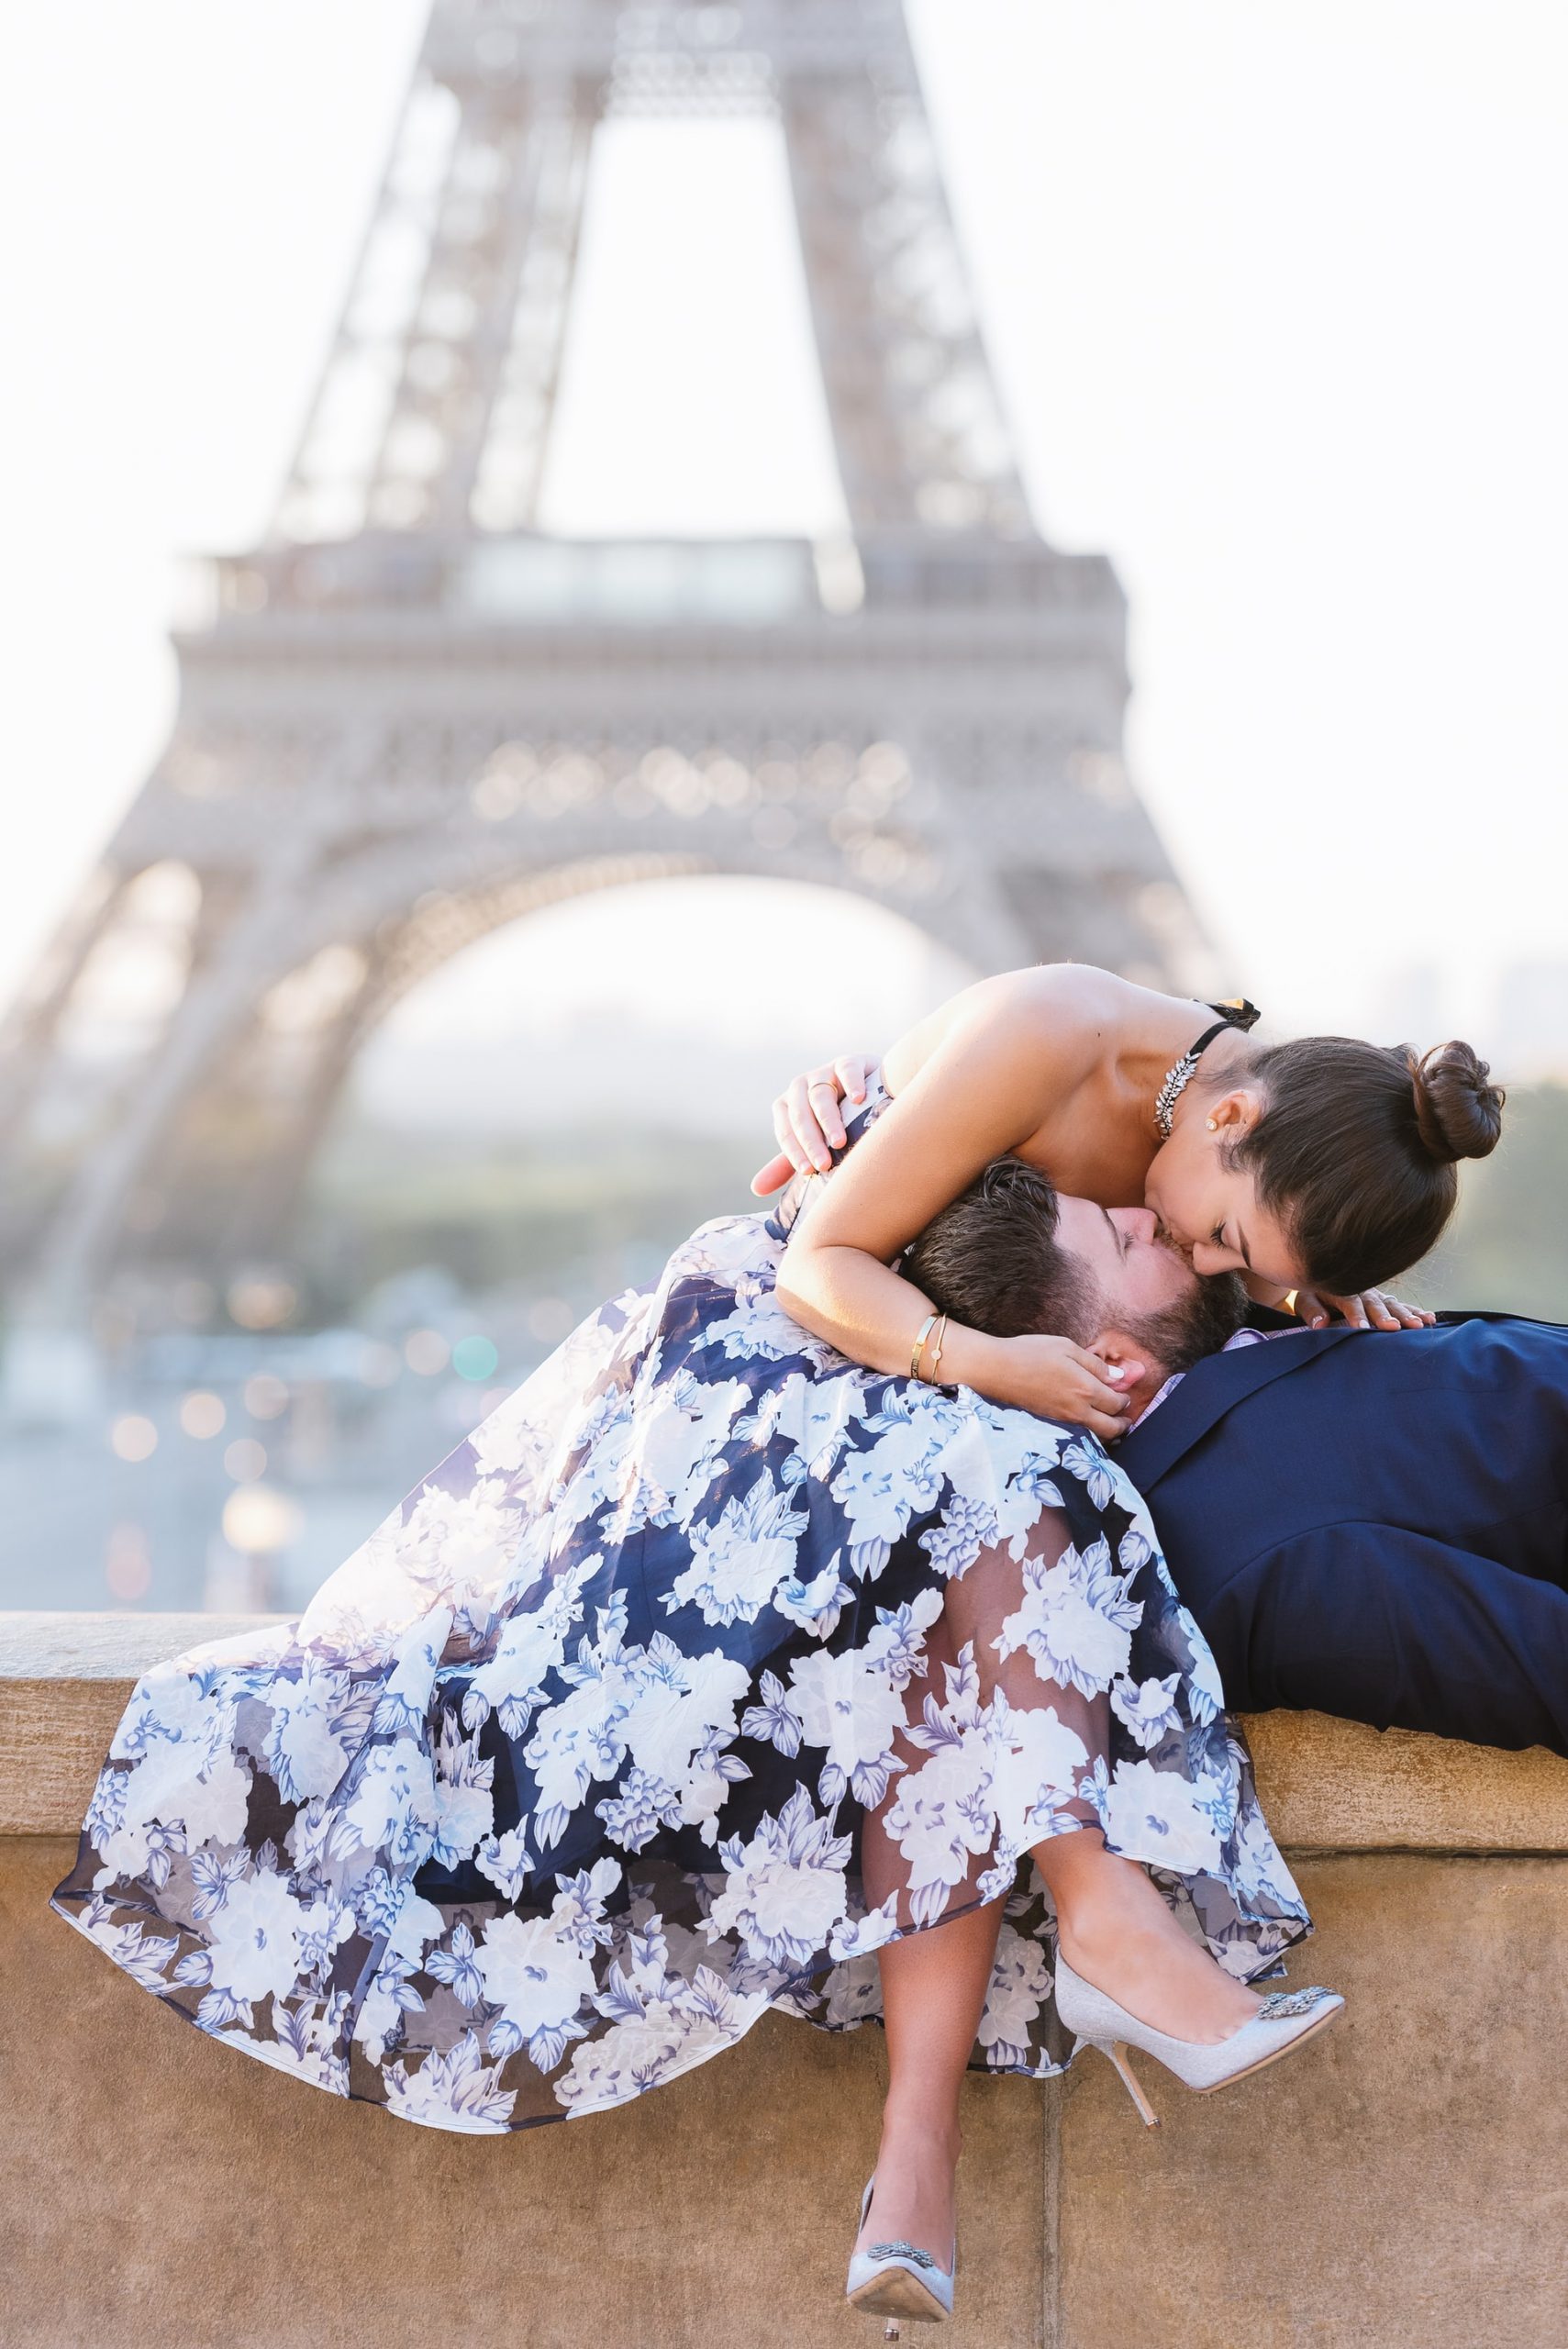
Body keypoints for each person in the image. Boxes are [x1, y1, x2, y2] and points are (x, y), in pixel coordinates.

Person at [51, 985, 1353, 2334]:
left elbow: (1276, 1201)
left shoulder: (1218, 1197)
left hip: (940, 1388)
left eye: (1223, 1261)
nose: (1199, 1251)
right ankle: (1096, 1936)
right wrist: (918, 1209)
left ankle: (926, 2151)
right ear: (1228, 1115)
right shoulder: (1078, 1054)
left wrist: (1322, 1273)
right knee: (1000, 1502)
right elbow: (827, 1249)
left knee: (962, 1605)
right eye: (1216, 1238)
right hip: (782, 1344)